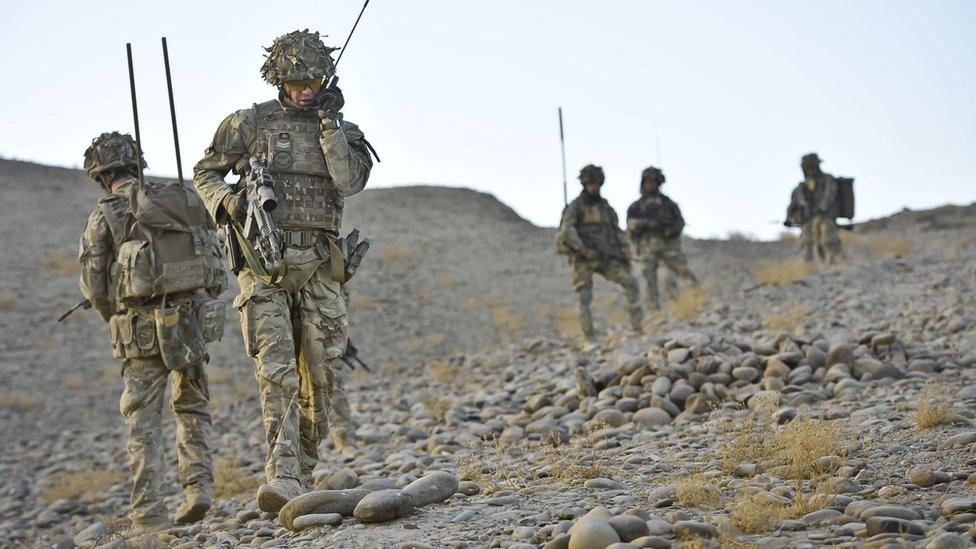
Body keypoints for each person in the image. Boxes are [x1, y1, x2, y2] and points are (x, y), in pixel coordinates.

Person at [192, 29, 375, 512]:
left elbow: (350, 182)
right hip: (263, 265)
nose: (304, 89)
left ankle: (305, 468)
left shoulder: (341, 129)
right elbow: (206, 171)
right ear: (278, 79)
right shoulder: (249, 124)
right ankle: (283, 474)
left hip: (319, 266)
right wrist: (228, 201)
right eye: (294, 81)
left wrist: (330, 126)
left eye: (312, 79)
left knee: (321, 375)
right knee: (276, 373)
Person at [79, 132, 225, 534]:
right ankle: (199, 488)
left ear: (100, 174)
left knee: (142, 421)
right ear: (136, 165)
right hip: (190, 321)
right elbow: (212, 259)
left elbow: (93, 284)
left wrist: (117, 312)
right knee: (192, 406)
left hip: (139, 330)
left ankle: (149, 513)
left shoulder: (105, 213)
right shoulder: (179, 201)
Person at [557, 164, 643, 340]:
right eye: (589, 183)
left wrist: (625, 250)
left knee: (631, 282)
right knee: (584, 296)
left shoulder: (606, 208)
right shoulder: (575, 206)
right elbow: (567, 230)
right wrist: (581, 249)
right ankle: (589, 338)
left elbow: (616, 230)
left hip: (605, 255)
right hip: (583, 257)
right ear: (584, 184)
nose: (592, 187)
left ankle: (638, 329)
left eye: (595, 183)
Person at [626, 166, 698, 309]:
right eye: (648, 182)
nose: (650, 185)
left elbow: (679, 223)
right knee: (648, 281)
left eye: (653, 182)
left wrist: (670, 231)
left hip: (668, 246)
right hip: (646, 248)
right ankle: (654, 312)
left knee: (672, 276)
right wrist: (643, 224)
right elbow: (630, 227)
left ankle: (688, 302)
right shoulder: (636, 207)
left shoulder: (668, 205)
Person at [785, 153, 848, 265]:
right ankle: (808, 268)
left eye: (813, 168)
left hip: (826, 217)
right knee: (807, 243)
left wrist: (820, 208)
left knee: (829, 241)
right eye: (808, 169)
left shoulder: (828, 180)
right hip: (809, 219)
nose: (811, 171)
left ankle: (836, 266)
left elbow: (830, 196)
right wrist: (788, 218)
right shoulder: (802, 187)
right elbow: (793, 204)